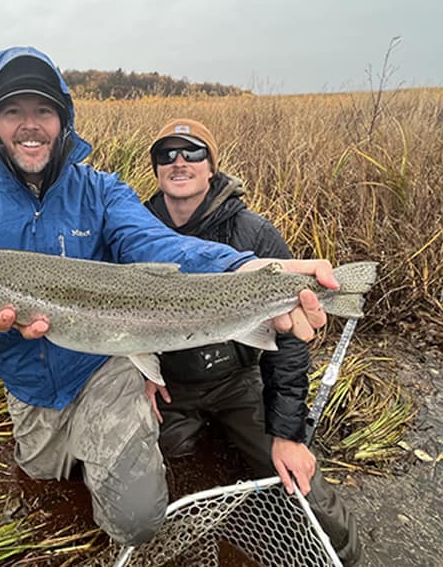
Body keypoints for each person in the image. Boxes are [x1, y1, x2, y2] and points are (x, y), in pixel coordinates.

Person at [0, 46, 338, 547]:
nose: (30, 125)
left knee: (136, 520)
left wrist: (244, 266)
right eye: (13, 111)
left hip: (104, 370)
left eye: (42, 110)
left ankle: (118, 464)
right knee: (44, 478)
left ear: (62, 120)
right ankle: (88, 456)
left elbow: (161, 246)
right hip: (32, 389)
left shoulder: (104, 193)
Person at [142, 118, 362, 564]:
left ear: (212, 167)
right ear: (157, 169)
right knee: (163, 484)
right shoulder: (135, 233)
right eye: (166, 154)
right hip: (167, 386)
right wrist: (135, 371)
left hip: (240, 380)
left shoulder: (254, 235)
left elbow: (289, 342)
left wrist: (288, 433)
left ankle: (346, 556)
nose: (179, 161)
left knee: (305, 492)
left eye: (192, 152)